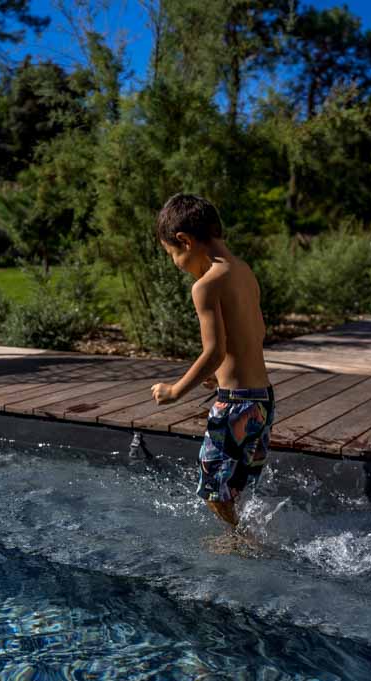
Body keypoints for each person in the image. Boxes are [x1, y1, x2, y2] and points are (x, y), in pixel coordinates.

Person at [151, 193, 275, 536]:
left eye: (173, 255)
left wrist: (174, 390)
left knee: (214, 495)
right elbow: (256, 333)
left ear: (185, 241)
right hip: (263, 400)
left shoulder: (205, 285)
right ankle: (247, 534)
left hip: (235, 405)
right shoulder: (244, 271)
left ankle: (242, 543)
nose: (176, 263)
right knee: (237, 486)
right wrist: (219, 376)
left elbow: (214, 351)